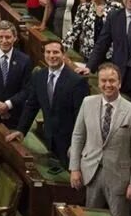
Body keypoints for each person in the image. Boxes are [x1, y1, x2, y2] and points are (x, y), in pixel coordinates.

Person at [69, 63, 131, 216]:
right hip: (91, 172)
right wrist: (74, 168)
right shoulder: (87, 103)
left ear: (119, 83)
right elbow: (77, 137)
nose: (108, 85)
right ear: (98, 82)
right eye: (103, 81)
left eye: (112, 81)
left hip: (119, 178)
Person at [19, 39, 88, 167]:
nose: (52, 56)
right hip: (49, 137)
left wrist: (76, 145)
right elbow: (32, 106)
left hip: (69, 142)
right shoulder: (39, 76)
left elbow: (81, 116)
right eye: (48, 52)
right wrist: (21, 131)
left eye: (56, 52)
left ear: (63, 55)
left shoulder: (77, 82)